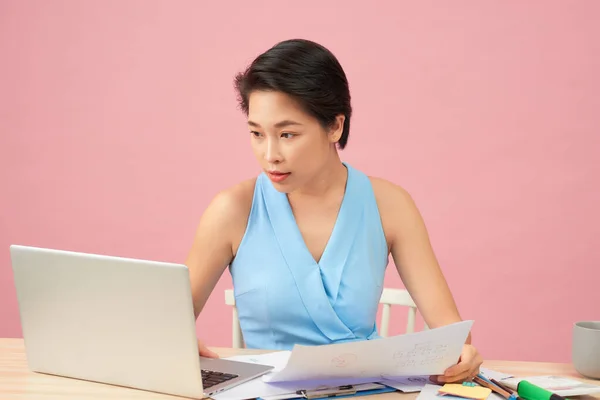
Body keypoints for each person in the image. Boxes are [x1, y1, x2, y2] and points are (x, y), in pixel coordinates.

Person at [185, 38, 483, 383]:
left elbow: (451, 332)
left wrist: (461, 353)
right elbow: (166, 323)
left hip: (369, 389)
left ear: (335, 126)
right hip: (265, 391)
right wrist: (175, 342)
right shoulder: (232, 210)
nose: (270, 155)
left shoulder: (391, 205)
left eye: (287, 134)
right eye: (256, 133)